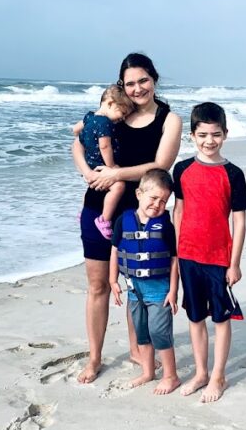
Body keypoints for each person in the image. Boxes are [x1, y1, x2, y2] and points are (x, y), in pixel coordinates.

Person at [72, 53, 183, 384]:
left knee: (139, 284)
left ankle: (139, 350)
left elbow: (160, 166)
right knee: (97, 285)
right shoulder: (116, 112)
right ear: (123, 86)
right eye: (130, 83)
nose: (137, 89)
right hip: (100, 205)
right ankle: (94, 358)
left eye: (143, 81)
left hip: (142, 214)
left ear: (154, 79)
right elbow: (77, 144)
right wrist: (88, 174)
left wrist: (117, 173)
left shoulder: (169, 119)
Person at [172, 102, 246, 403]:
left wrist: (235, 263)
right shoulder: (182, 169)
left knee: (220, 318)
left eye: (215, 134)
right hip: (189, 255)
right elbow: (178, 211)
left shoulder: (233, 174)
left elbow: (239, 220)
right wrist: (176, 255)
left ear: (225, 134)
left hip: (219, 258)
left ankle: (218, 375)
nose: (209, 141)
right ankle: (201, 372)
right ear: (192, 135)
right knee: (194, 317)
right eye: (202, 134)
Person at [109, 168, 180, 394]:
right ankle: (148, 372)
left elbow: (173, 260)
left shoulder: (165, 226)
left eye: (163, 201)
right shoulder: (123, 220)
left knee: (160, 332)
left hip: (159, 290)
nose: (157, 205)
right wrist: (113, 281)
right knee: (142, 332)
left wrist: (173, 291)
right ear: (139, 193)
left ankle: (171, 376)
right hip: (133, 289)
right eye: (153, 198)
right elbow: (114, 250)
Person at [73, 85, 136, 239]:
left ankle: (83, 213)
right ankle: (104, 219)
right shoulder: (105, 123)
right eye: (122, 113)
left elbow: (75, 129)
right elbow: (105, 146)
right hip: (101, 166)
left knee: (91, 188)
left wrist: (84, 136)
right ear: (109, 103)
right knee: (118, 186)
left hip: (89, 165)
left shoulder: (89, 116)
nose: (122, 118)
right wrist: (111, 167)